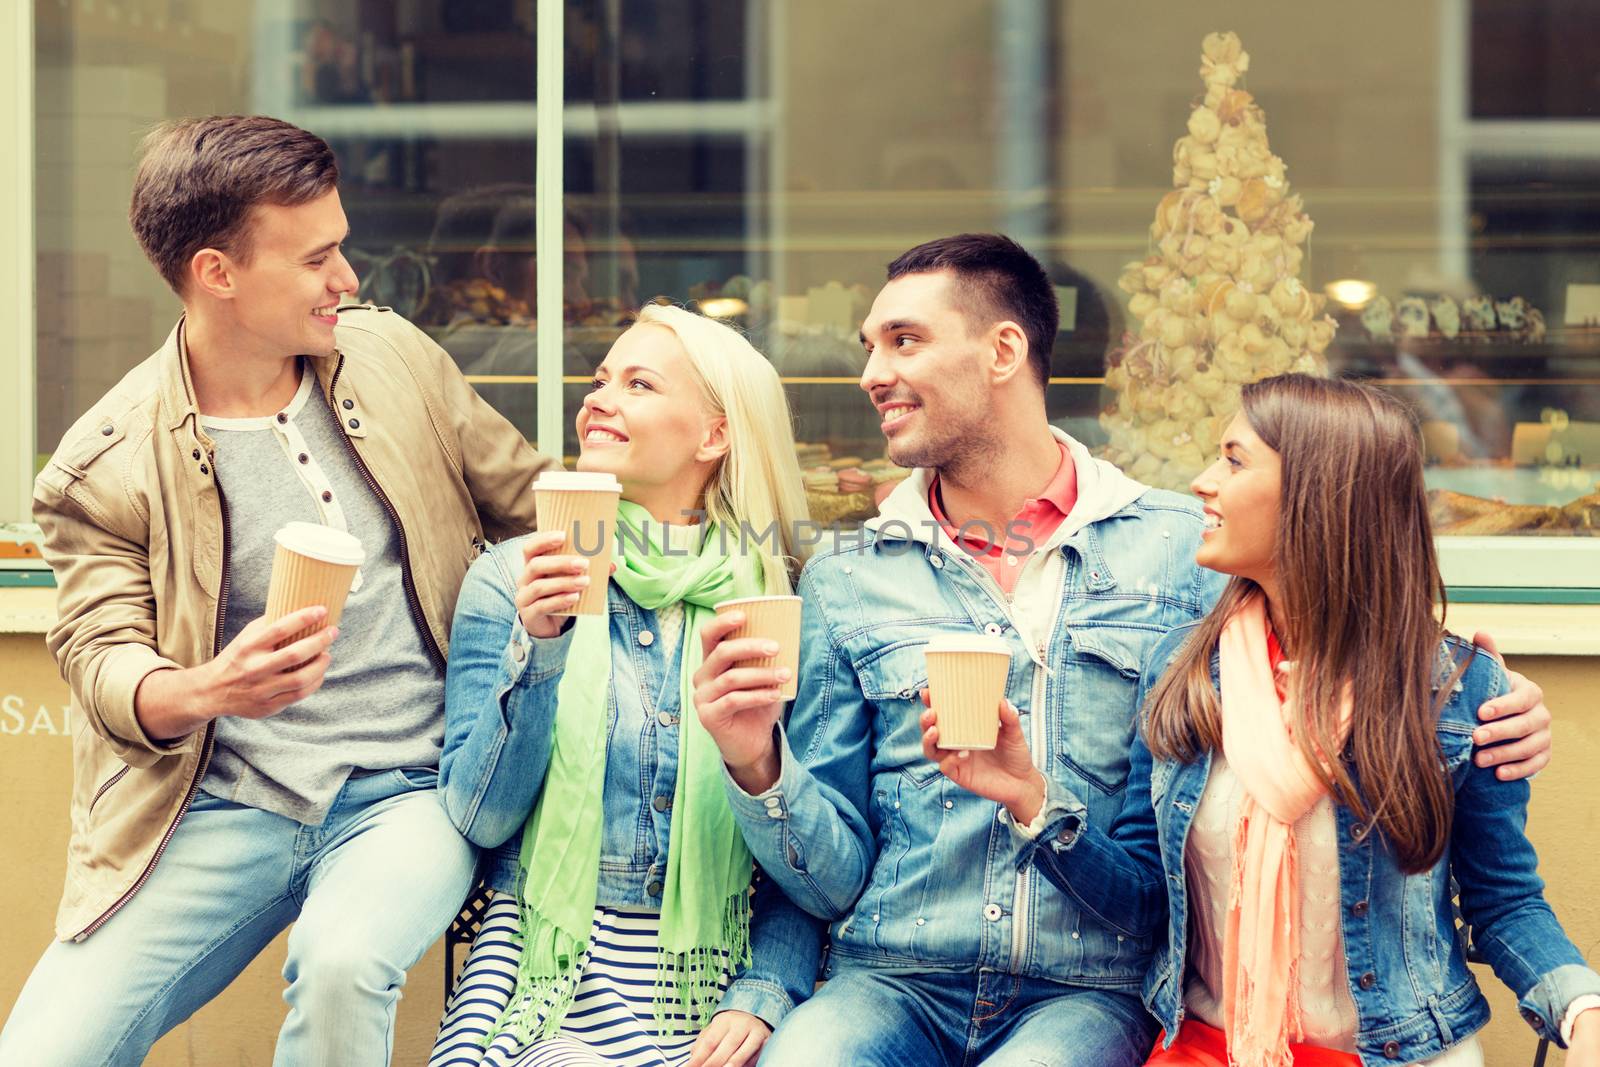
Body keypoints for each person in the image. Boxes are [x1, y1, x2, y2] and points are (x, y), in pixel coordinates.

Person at [691, 234, 1556, 1066]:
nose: (873, 372)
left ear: (1003, 350)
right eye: (870, 344)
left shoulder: (1185, 549)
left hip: (1090, 983)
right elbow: (828, 877)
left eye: (904, 339)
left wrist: (1492, 711)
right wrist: (756, 767)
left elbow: (1341, 621)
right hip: (893, 975)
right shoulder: (851, 574)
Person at [0, 115, 558, 1066]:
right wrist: (210, 688)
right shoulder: (103, 463)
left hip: (409, 786)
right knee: (44, 1052)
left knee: (342, 967)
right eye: (317, 258)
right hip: (217, 803)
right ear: (218, 273)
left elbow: (531, 502)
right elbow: (99, 659)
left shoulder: (399, 363)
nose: (348, 277)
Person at [928, 372, 1600, 1066]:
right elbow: (1143, 906)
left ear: (1320, 491)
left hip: (1394, 1055)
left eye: (1234, 459)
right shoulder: (1182, 671)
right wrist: (1028, 796)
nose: (1201, 480)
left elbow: (1505, 903)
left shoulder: (1455, 692)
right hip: (1205, 1049)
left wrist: (1582, 1010)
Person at [430, 304, 820, 1067]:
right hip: (540, 971)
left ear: (714, 435)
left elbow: (808, 859)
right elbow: (479, 816)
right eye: (601, 377)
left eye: (638, 383)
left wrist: (769, 985)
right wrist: (540, 645)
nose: (597, 398)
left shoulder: (776, 598)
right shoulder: (512, 577)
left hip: (711, 979)